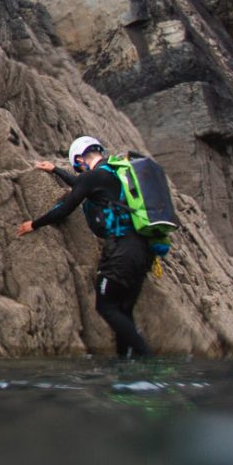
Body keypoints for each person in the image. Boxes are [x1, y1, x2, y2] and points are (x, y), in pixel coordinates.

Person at [16, 135, 154, 358]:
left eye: (77, 168)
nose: (78, 172)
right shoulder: (114, 172)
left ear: (80, 159)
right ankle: (129, 368)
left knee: (106, 306)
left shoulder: (93, 176)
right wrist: (56, 170)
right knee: (123, 310)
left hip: (122, 249)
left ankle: (147, 361)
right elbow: (84, 185)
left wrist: (34, 224)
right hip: (143, 249)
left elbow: (65, 209)